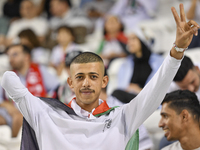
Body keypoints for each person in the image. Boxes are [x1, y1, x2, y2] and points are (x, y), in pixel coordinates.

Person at [0, 3, 199, 149]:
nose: (86, 83)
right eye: (79, 77)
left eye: (93, 76)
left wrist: (178, 49)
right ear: (70, 82)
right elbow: (9, 79)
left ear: (104, 81)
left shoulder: (122, 117)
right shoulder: (47, 115)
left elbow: (157, 89)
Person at [0, 43, 60, 137]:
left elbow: (57, 88)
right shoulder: (8, 75)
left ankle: (13, 144)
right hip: (12, 113)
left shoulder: (40, 69)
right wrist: (7, 105)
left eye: (15, 54)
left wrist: (48, 98)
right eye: (9, 55)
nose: (10, 59)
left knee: (20, 117)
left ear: (26, 57)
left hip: (36, 112)